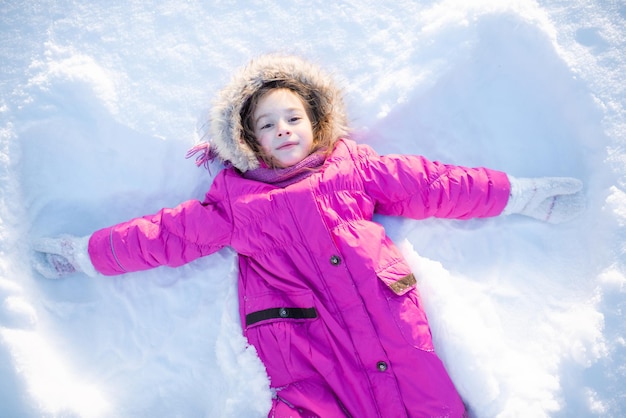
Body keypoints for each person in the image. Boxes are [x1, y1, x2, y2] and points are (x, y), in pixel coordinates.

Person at [33, 54, 584, 417]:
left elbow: (436, 184)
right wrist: (82, 255)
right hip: (307, 348)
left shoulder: (354, 170)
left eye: (292, 118)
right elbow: (157, 237)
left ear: (315, 120)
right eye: (268, 126)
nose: (283, 131)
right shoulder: (235, 204)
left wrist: (522, 193)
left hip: (391, 328)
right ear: (249, 141)